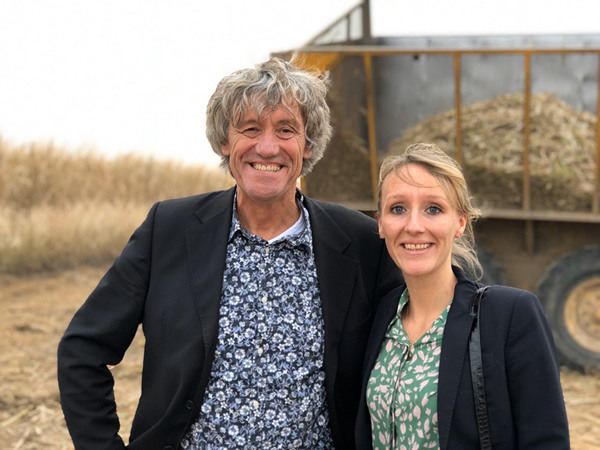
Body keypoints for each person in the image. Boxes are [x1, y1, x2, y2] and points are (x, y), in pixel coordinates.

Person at [57, 57, 402, 449]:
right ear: (225, 140)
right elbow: (82, 351)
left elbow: (424, 328)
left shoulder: (359, 242)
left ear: (307, 145)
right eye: (250, 128)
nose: (267, 147)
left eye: (286, 129)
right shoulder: (168, 230)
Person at [355, 143, 569, 449]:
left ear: (459, 223)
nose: (413, 226)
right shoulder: (379, 316)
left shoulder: (509, 316)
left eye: (433, 209)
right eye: (398, 209)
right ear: (380, 223)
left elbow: (546, 441)